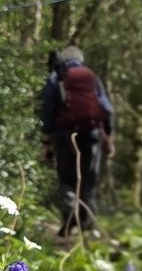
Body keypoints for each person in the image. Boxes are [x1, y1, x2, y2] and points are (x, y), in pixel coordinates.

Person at [38, 46, 115, 237]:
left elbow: (48, 109)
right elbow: (106, 108)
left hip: (65, 136)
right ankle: (87, 224)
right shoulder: (92, 78)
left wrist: (46, 141)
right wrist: (108, 137)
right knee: (88, 180)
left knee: (66, 179)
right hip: (92, 136)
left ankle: (70, 218)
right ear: (81, 60)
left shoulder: (57, 78)